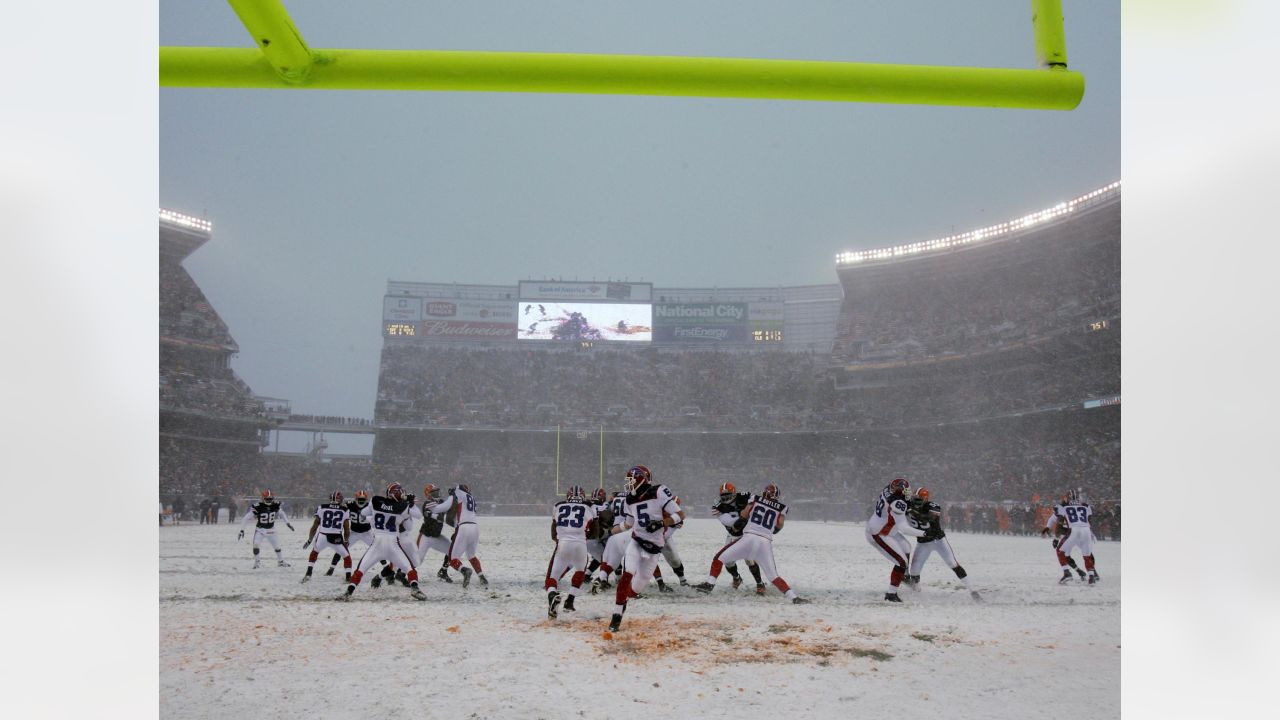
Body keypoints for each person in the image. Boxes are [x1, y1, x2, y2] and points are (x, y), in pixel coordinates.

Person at [694, 484, 809, 604]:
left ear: (765, 493)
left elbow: (744, 514)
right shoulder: (782, 508)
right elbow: (779, 526)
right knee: (773, 576)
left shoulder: (755, 499)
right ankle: (794, 597)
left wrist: (741, 522)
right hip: (765, 542)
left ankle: (709, 584)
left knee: (719, 558)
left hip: (748, 537)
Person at [607, 465, 682, 633]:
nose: (629, 484)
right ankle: (616, 616)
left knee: (635, 590)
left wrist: (661, 523)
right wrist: (610, 531)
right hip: (636, 541)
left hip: (654, 548)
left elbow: (680, 515)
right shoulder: (629, 499)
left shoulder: (658, 491)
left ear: (642, 479)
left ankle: (623, 602)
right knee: (626, 576)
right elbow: (629, 524)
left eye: (631, 480)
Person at [338, 483, 426, 601]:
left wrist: (374, 516)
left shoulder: (376, 501)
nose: (402, 495)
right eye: (401, 492)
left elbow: (364, 513)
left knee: (361, 569)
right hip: (393, 543)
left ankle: (348, 592)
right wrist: (410, 506)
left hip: (377, 543)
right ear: (396, 494)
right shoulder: (403, 506)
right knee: (409, 568)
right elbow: (409, 526)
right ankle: (415, 589)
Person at [903, 488, 981, 602]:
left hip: (938, 540)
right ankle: (917, 593)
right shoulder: (909, 506)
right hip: (923, 542)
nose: (916, 501)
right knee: (914, 571)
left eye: (919, 499)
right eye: (915, 499)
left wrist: (912, 511)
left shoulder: (932, 506)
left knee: (953, 563)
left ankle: (973, 591)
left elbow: (928, 519)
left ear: (925, 499)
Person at [864, 478, 926, 602]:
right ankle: (891, 594)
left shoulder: (889, 489)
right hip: (879, 533)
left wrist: (908, 503)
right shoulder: (897, 503)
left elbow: (899, 499)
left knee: (907, 548)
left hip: (886, 528)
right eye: (906, 490)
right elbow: (904, 528)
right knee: (902, 562)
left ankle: (903, 576)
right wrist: (924, 533)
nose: (908, 492)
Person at [545, 485, 598, 618]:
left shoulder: (558, 505)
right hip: (580, 544)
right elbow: (595, 532)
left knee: (553, 577)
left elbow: (553, 532)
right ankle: (570, 601)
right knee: (580, 571)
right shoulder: (590, 506)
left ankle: (552, 594)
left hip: (563, 544)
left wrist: (561, 538)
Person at [710, 482, 766, 594]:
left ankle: (760, 583)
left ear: (734, 493)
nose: (726, 498)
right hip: (733, 534)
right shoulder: (718, 506)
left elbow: (759, 502)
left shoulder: (745, 496)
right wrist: (745, 514)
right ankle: (737, 578)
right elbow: (729, 522)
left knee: (749, 560)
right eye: (723, 496)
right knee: (728, 561)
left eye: (728, 495)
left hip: (746, 533)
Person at [429, 484, 488, 588]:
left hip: (463, 527)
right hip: (475, 527)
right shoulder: (472, 498)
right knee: (471, 555)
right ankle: (481, 576)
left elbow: (442, 508)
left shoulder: (458, 494)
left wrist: (430, 508)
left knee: (453, 559)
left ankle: (465, 571)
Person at [1042, 489, 1100, 585]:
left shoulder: (1062, 507)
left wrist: (1056, 538)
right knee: (1087, 554)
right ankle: (1090, 575)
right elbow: (1089, 521)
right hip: (1083, 531)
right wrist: (1047, 528)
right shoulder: (1085, 506)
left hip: (1072, 531)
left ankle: (1068, 573)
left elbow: (1059, 523)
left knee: (1061, 551)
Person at [300, 491, 351, 583]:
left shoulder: (321, 507)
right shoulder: (344, 509)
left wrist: (309, 540)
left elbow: (315, 526)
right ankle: (348, 578)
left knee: (314, 552)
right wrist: (346, 541)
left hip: (322, 536)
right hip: (336, 537)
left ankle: (308, 573)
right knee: (347, 557)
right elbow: (346, 529)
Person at [237, 490, 295, 568]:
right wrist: (242, 530)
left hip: (271, 529)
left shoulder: (275, 505)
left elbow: (282, 513)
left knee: (277, 547)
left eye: (270, 499)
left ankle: (281, 562)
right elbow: (246, 518)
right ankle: (257, 563)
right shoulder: (258, 506)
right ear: (263, 498)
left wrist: (288, 523)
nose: (269, 500)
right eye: (267, 499)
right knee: (256, 545)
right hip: (260, 530)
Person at [327, 490, 372, 577]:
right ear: (355, 499)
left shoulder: (370, 506)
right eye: (359, 499)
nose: (361, 501)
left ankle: (386, 568)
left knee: (377, 549)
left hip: (367, 533)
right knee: (341, 549)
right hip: (354, 533)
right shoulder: (350, 504)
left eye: (363, 499)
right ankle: (331, 568)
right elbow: (339, 505)